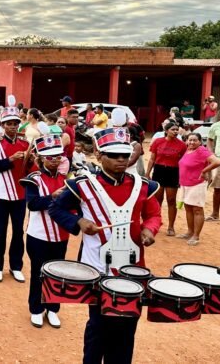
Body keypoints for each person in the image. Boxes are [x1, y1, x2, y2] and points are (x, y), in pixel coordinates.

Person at [47, 127, 161, 364]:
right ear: (99, 155)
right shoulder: (81, 185)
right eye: (114, 155)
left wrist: (150, 229)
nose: (121, 160)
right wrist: (79, 221)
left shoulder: (143, 185)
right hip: (96, 267)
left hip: (132, 268)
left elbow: (153, 214)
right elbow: (56, 208)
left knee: (127, 327)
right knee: (98, 326)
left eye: (124, 155)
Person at [20, 134, 68, 329]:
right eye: (50, 157)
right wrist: (52, 196)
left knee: (57, 273)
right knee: (38, 273)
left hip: (61, 235)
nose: (55, 160)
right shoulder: (34, 179)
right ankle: (36, 309)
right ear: (40, 158)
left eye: (58, 156)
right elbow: (32, 204)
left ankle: (53, 308)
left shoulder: (65, 179)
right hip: (39, 235)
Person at [0, 101, 31, 283]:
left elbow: (30, 169)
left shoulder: (25, 144)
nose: (12, 127)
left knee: (18, 232)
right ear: (3, 125)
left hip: (20, 195)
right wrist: (11, 159)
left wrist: (31, 160)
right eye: (9, 124)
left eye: (15, 123)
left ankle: (16, 266)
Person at [178, 132, 220, 245]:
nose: (192, 142)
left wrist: (204, 171)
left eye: (195, 140)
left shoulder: (201, 150)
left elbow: (217, 162)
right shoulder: (188, 149)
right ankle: (190, 232)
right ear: (187, 141)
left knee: (197, 209)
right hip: (186, 183)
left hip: (197, 184)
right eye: (190, 140)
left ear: (200, 141)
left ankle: (196, 236)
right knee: (188, 208)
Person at [146, 121, 186, 236]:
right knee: (157, 200)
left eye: (177, 129)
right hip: (159, 171)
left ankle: (171, 226)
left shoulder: (182, 145)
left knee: (171, 200)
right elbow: (152, 159)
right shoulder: (158, 142)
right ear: (166, 130)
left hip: (173, 172)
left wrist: (182, 176)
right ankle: (156, 224)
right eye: (173, 129)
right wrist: (147, 173)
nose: (175, 131)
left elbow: (183, 162)